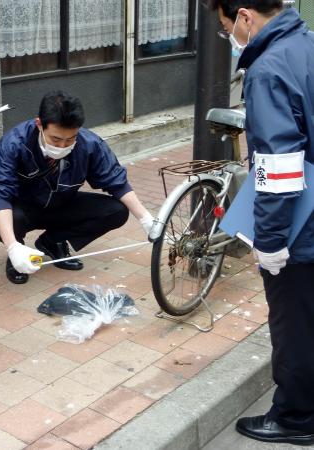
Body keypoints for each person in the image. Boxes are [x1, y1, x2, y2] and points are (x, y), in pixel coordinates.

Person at [210, 0, 314, 446]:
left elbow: (279, 166)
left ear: (246, 16)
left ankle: (296, 418)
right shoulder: (307, 45)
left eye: (226, 26)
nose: (229, 36)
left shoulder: (269, 68)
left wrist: (270, 243)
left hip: (302, 227)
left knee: (294, 324)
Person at [0, 91, 153, 284]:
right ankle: (19, 253)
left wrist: (146, 218)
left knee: (117, 211)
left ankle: (52, 241)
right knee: (5, 219)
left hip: (64, 202)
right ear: (39, 124)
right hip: (26, 208)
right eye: (56, 139)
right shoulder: (15, 143)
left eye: (71, 139)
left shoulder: (90, 144)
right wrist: (12, 246)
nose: (63, 145)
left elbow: (116, 181)